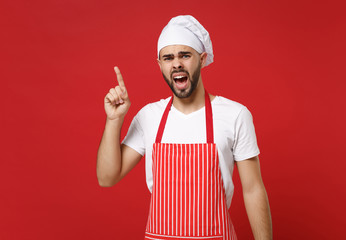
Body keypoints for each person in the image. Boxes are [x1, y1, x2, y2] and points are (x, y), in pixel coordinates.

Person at [97, 15, 272, 240]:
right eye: (168, 58)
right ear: (160, 65)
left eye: (185, 55)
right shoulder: (149, 117)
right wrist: (113, 121)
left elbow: (253, 189)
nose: (177, 63)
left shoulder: (236, 115)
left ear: (202, 58)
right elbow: (106, 178)